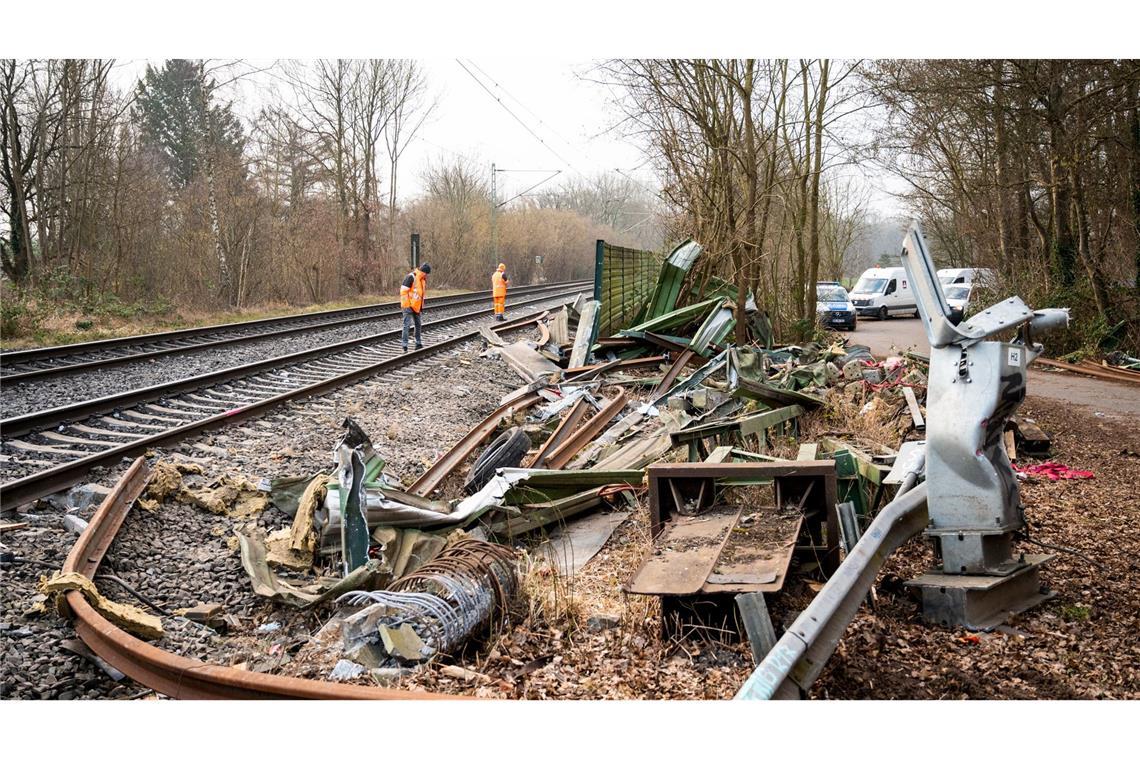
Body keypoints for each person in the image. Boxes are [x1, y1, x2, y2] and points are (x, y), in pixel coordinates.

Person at [399, 262, 431, 351]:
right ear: (424, 272)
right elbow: (403, 291)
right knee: (407, 325)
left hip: (416, 306)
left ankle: (418, 343)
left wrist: (420, 307)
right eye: (427, 274)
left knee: (418, 324)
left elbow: (420, 295)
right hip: (408, 306)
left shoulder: (422, 280)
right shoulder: (411, 277)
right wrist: (407, 305)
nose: (427, 276)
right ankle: (404, 345)